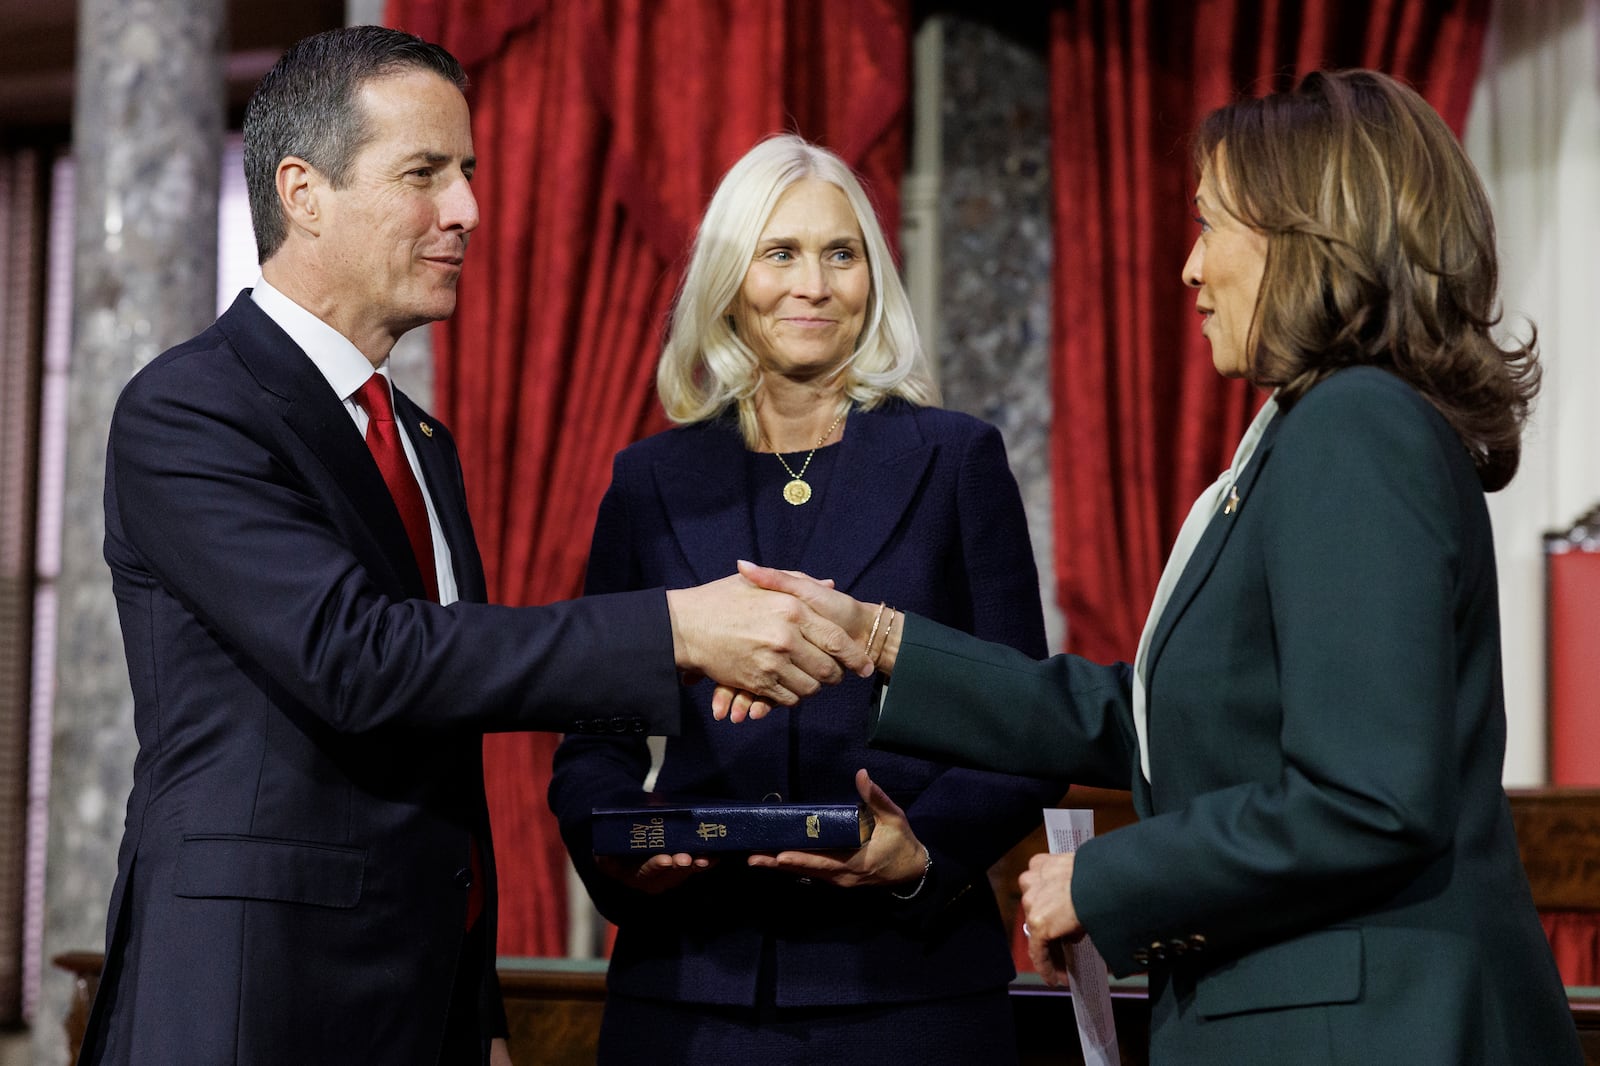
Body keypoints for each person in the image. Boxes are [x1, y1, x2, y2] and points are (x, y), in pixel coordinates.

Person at [740, 71, 1585, 1065]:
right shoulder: (1318, 429)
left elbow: (1367, 799)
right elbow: (1152, 716)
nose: (1188, 268)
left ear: (1307, 236)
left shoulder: (1354, 428)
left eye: (1209, 225)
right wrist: (876, 641)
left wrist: (1103, 882)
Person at [86, 28, 865, 1066]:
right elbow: (360, 660)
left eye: (468, 174)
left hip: (422, 1010)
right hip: (251, 998)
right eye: (425, 175)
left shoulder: (418, 442)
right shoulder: (190, 408)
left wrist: (475, 1007)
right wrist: (674, 627)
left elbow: (440, 737)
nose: (468, 210)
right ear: (303, 192)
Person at [547, 134, 1064, 1065]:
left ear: (874, 276)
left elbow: (1025, 723)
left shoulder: (957, 462)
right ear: (728, 279)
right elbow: (595, 741)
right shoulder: (647, 480)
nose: (813, 285)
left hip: (911, 984)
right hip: (688, 988)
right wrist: (622, 848)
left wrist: (920, 854)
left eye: (842, 253)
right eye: (779, 253)